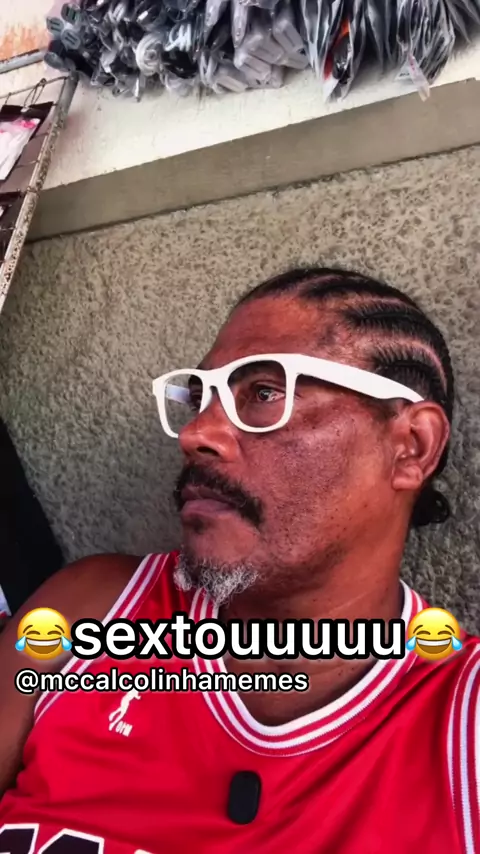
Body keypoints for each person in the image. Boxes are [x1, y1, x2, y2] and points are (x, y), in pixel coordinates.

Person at [0, 267, 478, 854]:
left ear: (411, 447)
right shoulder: (92, 608)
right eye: (200, 398)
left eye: (265, 392)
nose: (196, 434)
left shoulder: (460, 725)